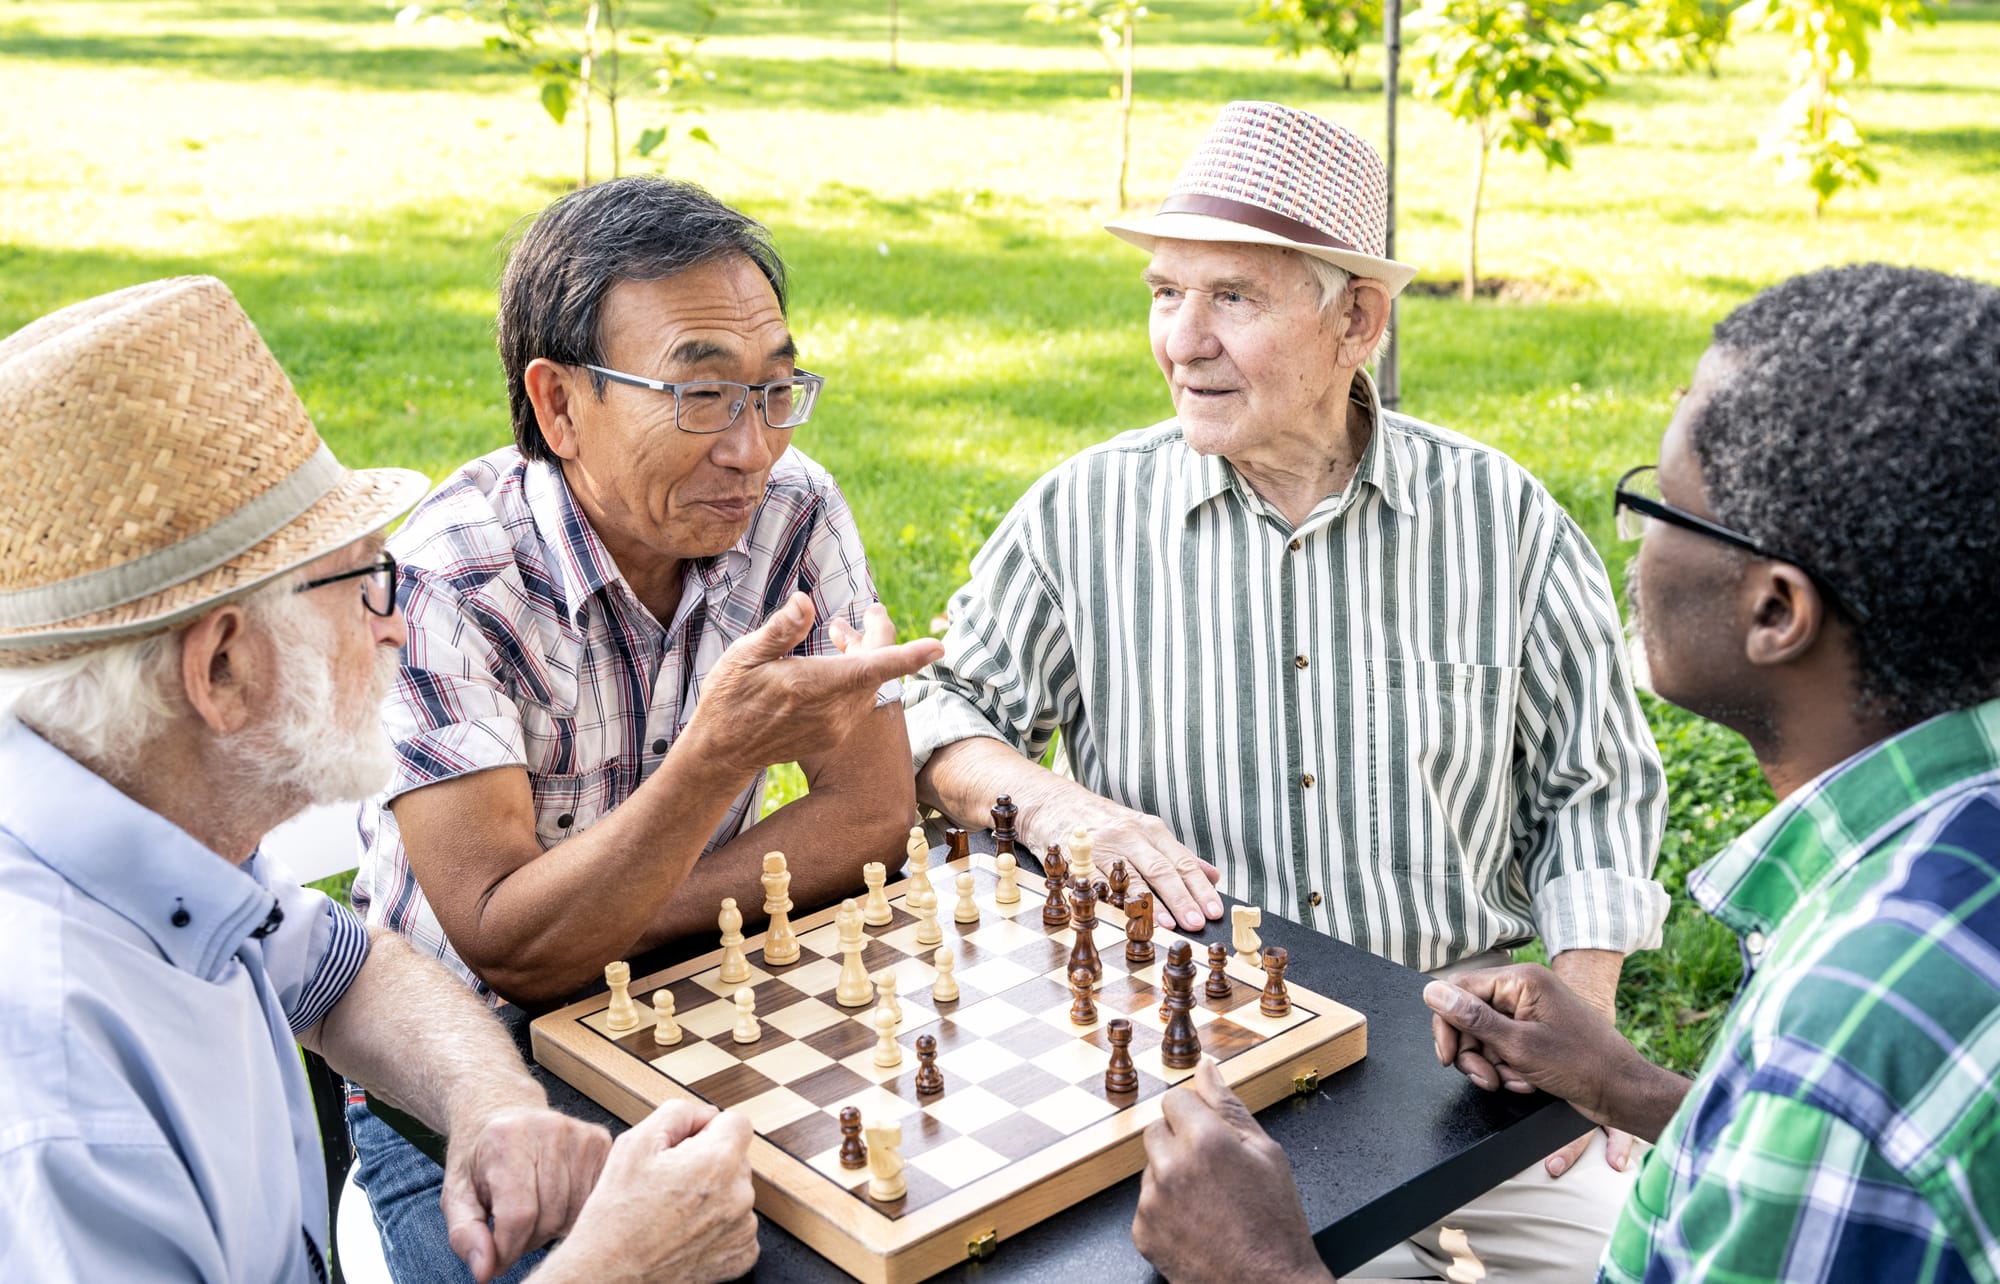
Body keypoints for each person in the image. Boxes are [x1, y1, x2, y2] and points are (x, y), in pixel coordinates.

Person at [903, 100, 1665, 1277]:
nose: (1181, 340)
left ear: (1354, 317)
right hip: (1196, 1065)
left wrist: (1583, 1007)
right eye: (1165, 292)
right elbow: (939, 711)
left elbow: (1596, 780)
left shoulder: (1496, 517)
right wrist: (1055, 807)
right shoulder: (1081, 515)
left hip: (1467, 1060)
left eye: (1232, 299)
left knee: (1664, 1257)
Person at [1133, 263, 2000, 1283]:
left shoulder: (1846, 1034)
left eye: (1661, 508)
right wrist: (1631, 1085)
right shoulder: (1932, 874)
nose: (1632, 550)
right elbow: (1834, 1156)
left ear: (1775, 612)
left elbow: (1834, 1111)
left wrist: (1263, 1268)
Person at [0, 276, 760, 1284]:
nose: (396, 622)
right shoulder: (63, 1115)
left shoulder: (149, 843)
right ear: (221, 669)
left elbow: (347, 969)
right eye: (362, 581)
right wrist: (614, 1268)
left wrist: (493, 1106)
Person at [347, 175, 943, 1280]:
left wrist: (607, 917)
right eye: (702, 396)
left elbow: (869, 814)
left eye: (776, 391)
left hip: (701, 1012)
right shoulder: (448, 580)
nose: (751, 450)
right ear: (560, 404)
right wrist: (713, 762)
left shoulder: (792, 510)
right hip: (473, 1086)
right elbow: (509, 947)